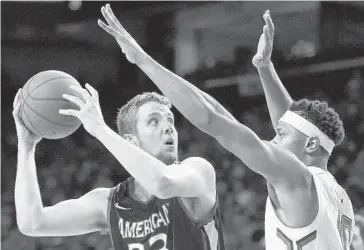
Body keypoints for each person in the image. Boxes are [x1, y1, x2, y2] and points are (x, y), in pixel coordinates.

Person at [98, 4, 355, 249]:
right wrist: (265, 69)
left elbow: (213, 120)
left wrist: (143, 61)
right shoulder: (337, 196)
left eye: (281, 135)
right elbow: (294, 126)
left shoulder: (296, 177)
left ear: (310, 145)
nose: (274, 140)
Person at [13, 88, 225, 248]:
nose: (168, 126)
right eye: (154, 121)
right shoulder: (110, 202)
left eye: (170, 120)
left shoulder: (198, 171)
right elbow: (32, 222)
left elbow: (163, 183)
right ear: (131, 141)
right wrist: (26, 146)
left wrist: (99, 129)